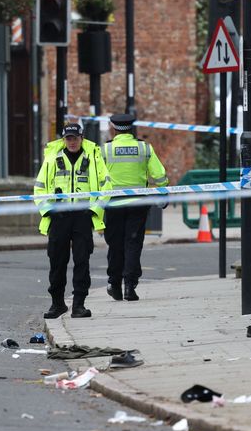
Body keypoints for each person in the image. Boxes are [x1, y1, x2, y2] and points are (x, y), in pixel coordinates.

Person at [35, 123, 110, 319]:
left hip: (82, 216)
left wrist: (93, 210)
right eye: (68, 139)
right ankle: (57, 304)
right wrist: (49, 210)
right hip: (59, 216)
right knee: (57, 261)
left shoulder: (93, 157)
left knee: (82, 261)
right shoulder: (53, 158)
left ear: (81, 138)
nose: (72, 142)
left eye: (75, 138)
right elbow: (40, 188)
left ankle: (79, 305)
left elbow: (106, 186)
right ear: (64, 140)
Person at [101, 113, 169, 302]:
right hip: (137, 203)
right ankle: (130, 287)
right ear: (131, 128)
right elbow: (159, 174)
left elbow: (97, 176)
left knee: (115, 244)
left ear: (113, 128)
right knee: (133, 243)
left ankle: (114, 284)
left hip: (113, 203)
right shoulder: (144, 148)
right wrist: (163, 190)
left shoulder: (105, 150)